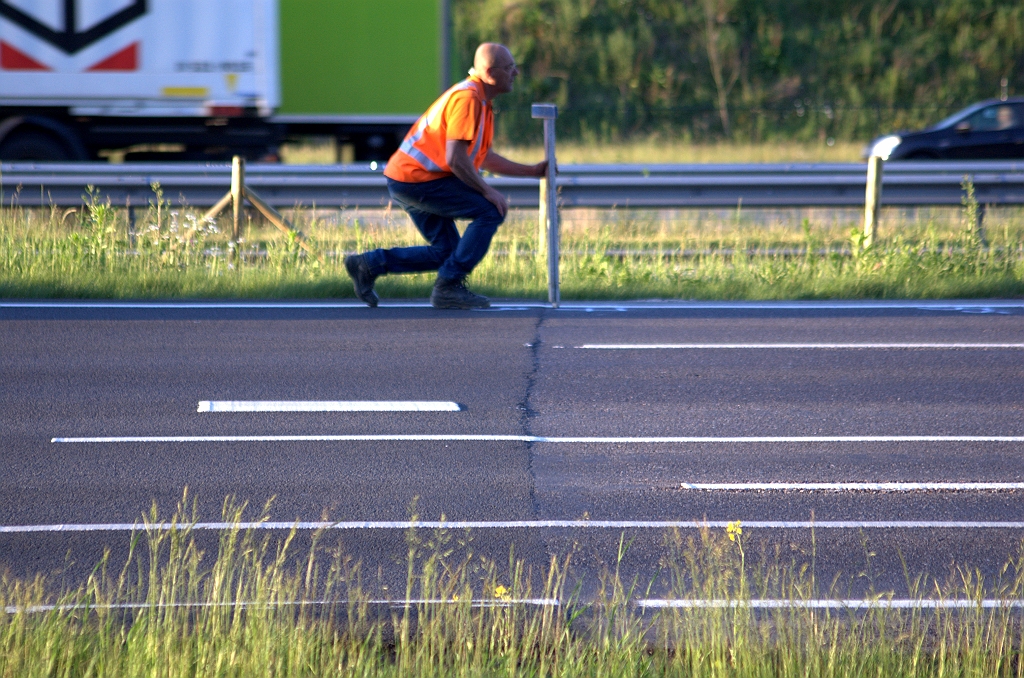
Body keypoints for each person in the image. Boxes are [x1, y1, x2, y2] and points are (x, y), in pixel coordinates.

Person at [344, 43, 547, 309]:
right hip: (418, 180)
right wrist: (488, 191)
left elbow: (483, 157)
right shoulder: (468, 99)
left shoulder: (481, 100)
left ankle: (368, 264)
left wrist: (532, 171)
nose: (516, 73)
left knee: (448, 251)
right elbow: (455, 159)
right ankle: (448, 286)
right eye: (509, 67)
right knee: (490, 211)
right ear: (489, 73)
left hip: (409, 178)